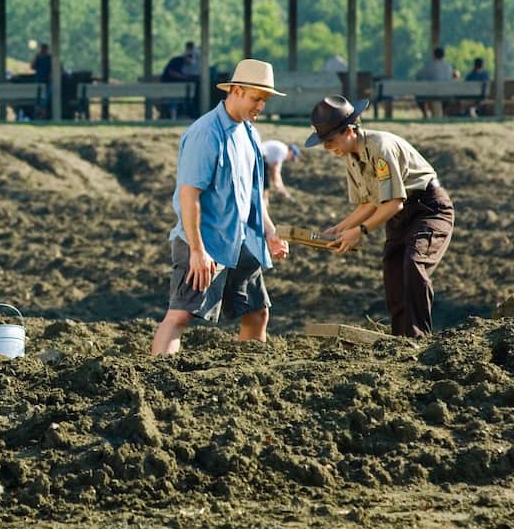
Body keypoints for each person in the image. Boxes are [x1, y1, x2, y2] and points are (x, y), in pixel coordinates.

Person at [150, 59, 290, 356]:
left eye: (264, 100)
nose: (260, 107)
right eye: (256, 99)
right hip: (206, 242)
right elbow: (190, 196)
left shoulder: (251, 134)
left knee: (257, 312)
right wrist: (198, 252)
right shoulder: (206, 133)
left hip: (241, 242)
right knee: (180, 316)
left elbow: (253, 195)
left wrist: (269, 233)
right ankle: (155, 378)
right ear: (236, 90)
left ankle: (249, 371)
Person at [305, 95, 454, 337]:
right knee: (393, 270)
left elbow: (394, 202)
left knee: (414, 263)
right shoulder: (351, 157)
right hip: (398, 215)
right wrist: (339, 228)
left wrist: (361, 231)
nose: (327, 147)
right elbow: (367, 204)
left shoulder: (379, 146)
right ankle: (400, 340)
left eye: (330, 140)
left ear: (349, 131)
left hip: (427, 209)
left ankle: (420, 338)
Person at [160, 41, 201, 119]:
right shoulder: (178, 60)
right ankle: (173, 117)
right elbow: (172, 73)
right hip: (169, 86)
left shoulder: (186, 65)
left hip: (178, 87)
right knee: (174, 97)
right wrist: (185, 77)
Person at [416, 47, 454, 118]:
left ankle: (425, 114)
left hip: (430, 93)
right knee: (448, 98)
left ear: (434, 55)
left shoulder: (429, 65)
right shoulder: (448, 67)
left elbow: (419, 76)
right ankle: (443, 113)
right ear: (443, 55)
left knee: (419, 97)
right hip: (446, 94)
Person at [31, 43, 53, 119]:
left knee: (43, 101)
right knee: (42, 100)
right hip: (41, 82)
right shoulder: (40, 57)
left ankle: (42, 115)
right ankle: (40, 115)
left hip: (45, 82)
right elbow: (32, 66)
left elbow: (32, 66)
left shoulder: (50, 58)